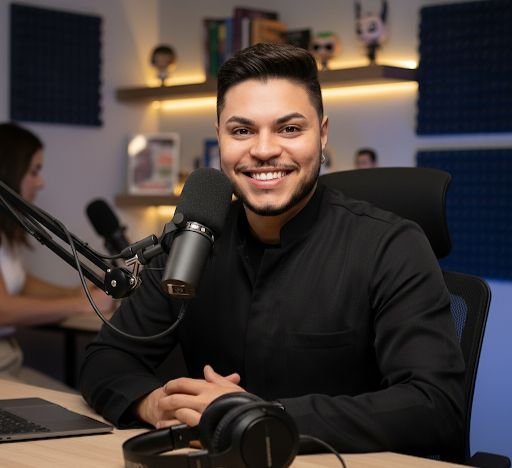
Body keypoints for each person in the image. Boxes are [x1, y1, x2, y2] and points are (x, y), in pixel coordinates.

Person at [80, 43, 465, 458]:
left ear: (323, 134)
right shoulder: (191, 243)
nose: (263, 150)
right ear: (219, 137)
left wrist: (256, 416)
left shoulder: (391, 246)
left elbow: (435, 406)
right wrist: (153, 403)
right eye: (242, 131)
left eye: (289, 129)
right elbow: (105, 360)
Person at [0, 122, 112, 388]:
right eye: (34, 171)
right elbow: (2, 309)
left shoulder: (5, 234)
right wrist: (81, 305)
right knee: (80, 404)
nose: (41, 182)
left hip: (9, 356)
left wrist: (77, 292)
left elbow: (20, 281)